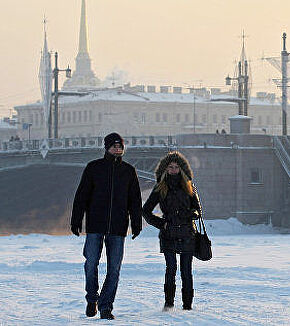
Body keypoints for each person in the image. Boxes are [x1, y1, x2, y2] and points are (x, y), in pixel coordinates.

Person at [71, 132, 142, 320]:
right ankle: (91, 297)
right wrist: (76, 219)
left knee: (114, 269)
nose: (117, 149)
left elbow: (134, 199)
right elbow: (82, 196)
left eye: (120, 146)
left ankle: (105, 306)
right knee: (91, 263)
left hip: (118, 227)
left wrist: (136, 222)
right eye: (114, 146)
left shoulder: (128, 171)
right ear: (107, 147)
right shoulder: (94, 168)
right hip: (95, 225)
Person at [142, 151, 202, 311]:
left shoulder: (189, 187)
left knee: (186, 271)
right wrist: (162, 224)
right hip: (169, 234)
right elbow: (146, 211)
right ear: (165, 169)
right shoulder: (160, 188)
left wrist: (188, 214)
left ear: (181, 169)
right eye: (170, 167)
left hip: (187, 233)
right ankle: (169, 303)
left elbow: (197, 210)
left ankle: (187, 305)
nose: (174, 170)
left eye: (176, 167)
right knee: (171, 269)